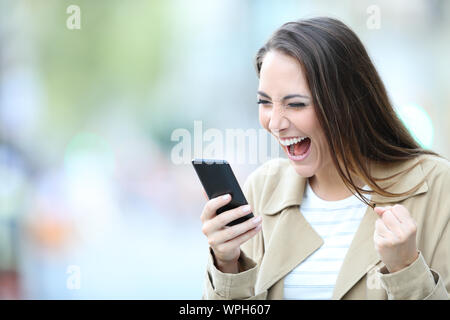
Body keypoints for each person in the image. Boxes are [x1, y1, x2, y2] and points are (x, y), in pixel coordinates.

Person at [200, 17, 450, 300]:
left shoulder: (439, 187)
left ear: (348, 102)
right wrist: (226, 264)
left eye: (295, 104)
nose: (275, 122)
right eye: (265, 102)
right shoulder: (263, 190)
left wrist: (406, 269)